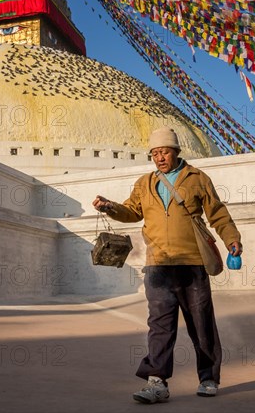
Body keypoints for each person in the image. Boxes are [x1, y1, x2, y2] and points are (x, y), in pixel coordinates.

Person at [92, 128, 242, 404]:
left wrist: (232, 239)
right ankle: (157, 382)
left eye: (165, 152)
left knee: (201, 323)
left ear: (175, 152)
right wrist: (109, 207)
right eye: (155, 153)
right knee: (160, 325)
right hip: (158, 265)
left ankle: (208, 377)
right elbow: (132, 212)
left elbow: (218, 213)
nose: (160, 157)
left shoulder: (197, 178)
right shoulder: (145, 183)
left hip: (192, 262)